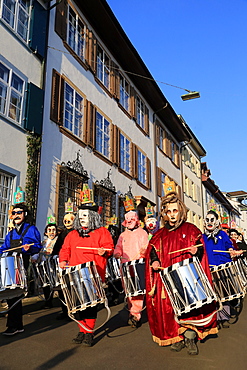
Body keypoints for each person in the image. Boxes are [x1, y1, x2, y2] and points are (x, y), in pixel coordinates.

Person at [145, 192, 218, 356]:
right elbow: (153, 252)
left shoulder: (191, 230)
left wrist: (195, 251)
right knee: (171, 308)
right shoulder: (159, 234)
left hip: (188, 276)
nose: (172, 214)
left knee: (189, 308)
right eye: (168, 211)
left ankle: (190, 337)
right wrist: (154, 261)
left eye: (175, 211)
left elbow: (200, 251)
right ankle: (177, 336)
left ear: (181, 211)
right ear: (165, 213)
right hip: (167, 277)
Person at [59, 202, 114, 346]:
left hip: (93, 273)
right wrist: (63, 261)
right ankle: (81, 329)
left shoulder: (102, 232)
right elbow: (65, 249)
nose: (82, 218)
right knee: (78, 304)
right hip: (75, 274)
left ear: (93, 216)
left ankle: (89, 332)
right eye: (80, 215)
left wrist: (105, 251)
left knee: (90, 305)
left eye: (85, 215)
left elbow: (109, 247)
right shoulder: (72, 234)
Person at [0, 203, 42, 336]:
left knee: (16, 295)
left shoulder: (31, 229)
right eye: (15, 212)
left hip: (21, 263)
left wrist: (31, 249)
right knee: (11, 295)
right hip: (9, 263)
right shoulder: (11, 233)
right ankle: (15, 325)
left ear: (25, 214)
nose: (16, 215)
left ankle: (15, 326)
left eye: (19, 212)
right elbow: (4, 249)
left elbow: (37, 245)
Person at [203, 210, 239, 329]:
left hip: (223, 267)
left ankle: (224, 317)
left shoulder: (223, 234)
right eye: (207, 220)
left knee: (224, 292)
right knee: (213, 294)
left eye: (212, 220)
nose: (209, 222)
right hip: (210, 268)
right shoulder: (202, 237)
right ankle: (214, 319)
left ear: (217, 222)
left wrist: (230, 250)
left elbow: (229, 244)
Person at [114, 210, 149, 328]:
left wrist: (144, 252)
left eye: (131, 219)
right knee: (129, 291)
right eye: (127, 220)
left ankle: (136, 314)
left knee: (138, 291)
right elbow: (118, 247)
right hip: (125, 266)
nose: (129, 222)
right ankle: (132, 311)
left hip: (138, 265)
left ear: (136, 220)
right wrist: (117, 253)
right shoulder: (122, 235)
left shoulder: (143, 233)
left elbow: (146, 246)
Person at [52, 213, 75, 319]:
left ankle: (74, 309)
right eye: (65, 221)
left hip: (74, 263)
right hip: (63, 263)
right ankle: (65, 310)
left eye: (69, 221)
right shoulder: (62, 234)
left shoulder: (77, 232)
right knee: (62, 288)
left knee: (73, 287)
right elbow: (57, 248)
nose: (67, 223)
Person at [32, 223, 58, 309]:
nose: (51, 232)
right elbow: (38, 252)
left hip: (53, 266)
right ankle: (48, 301)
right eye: (49, 230)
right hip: (43, 266)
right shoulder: (43, 242)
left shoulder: (57, 241)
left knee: (55, 284)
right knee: (45, 284)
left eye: (53, 230)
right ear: (46, 232)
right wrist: (34, 257)